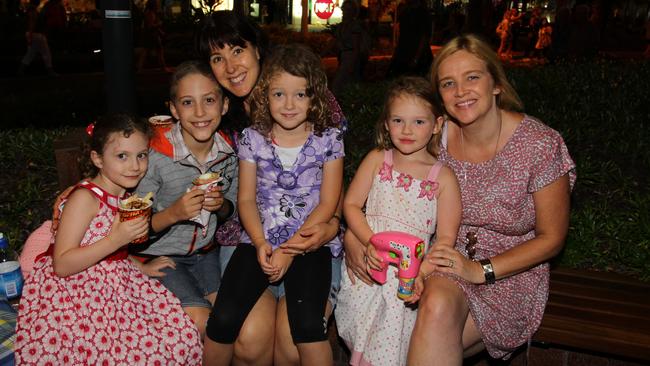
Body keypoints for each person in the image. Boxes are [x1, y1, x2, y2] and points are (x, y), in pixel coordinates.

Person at [405, 34, 576, 365]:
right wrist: (357, 238)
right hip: (445, 258)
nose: (460, 92)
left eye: (472, 77)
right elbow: (386, 178)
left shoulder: (539, 145)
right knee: (432, 311)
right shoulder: (434, 138)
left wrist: (480, 270)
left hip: (512, 270)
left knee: (424, 334)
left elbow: (553, 238)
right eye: (448, 83)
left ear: (496, 83)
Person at [196, 11, 346, 364]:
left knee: (297, 339)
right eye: (217, 58)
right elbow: (167, 152)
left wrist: (328, 228)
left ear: (258, 49)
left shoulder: (322, 124)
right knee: (246, 336)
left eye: (237, 49)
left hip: (310, 239)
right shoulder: (222, 119)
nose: (230, 66)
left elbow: (331, 196)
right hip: (250, 239)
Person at [14, 114, 203, 365]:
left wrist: (141, 266)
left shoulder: (125, 195)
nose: (135, 166)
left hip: (115, 280)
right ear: (98, 159)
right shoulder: (85, 198)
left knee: (178, 336)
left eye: (141, 155)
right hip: (73, 294)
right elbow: (61, 264)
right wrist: (116, 240)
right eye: (122, 156)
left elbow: (114, 247)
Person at [335, 76, 462, 366]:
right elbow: (351, 205)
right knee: (359, 336)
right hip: (369, 266)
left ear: (437, 125)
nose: (407, 130)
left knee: (390, 348)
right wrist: (368, 242)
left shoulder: (442, 178)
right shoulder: (379, 159)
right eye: (398, 120)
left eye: (419, 122)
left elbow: (445, 241)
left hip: (407, 278)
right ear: (386, 123)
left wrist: (420, 272)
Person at [132, 60, 238, 338]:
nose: (200, 112)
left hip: (206, 255)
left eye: (209, 100)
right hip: (160, 256)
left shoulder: (229, 154)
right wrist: (174, 213)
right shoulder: (153, 157)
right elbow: (131, 229)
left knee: (230, 320)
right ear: (173, 109)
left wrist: (222, 206)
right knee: (203, 321)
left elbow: (233, 210)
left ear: (224, 105)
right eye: (188, 102)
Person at [331, 0, 370, 97]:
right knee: (349, 84)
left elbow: (356, 46)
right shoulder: (341, 26)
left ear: (353, 12)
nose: (346, 11)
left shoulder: (354, 26)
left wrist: (353, 63)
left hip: (350, 57)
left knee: (337, 85)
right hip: (343, 57)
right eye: (345, 9)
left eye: (349, 9)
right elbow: (334, 42)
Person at [386, 0, 433, 77]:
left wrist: (416, 58)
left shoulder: (422, 12)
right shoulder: (406, 10)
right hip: (404, 51)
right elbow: (402, 34)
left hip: (417, 52)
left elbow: (424, 37)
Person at [18, 0, 57, 76]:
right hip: (37, 35)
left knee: (31, 54)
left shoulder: (30, 11)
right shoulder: (33, 11)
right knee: (46, 53)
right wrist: (31, 34)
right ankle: (50, 71)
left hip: (34, 34)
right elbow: (32, 24)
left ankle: (21, 71)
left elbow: (31, 23)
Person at [137, 0, 170, 72]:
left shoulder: (149, 12)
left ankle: (139, 68)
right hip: (151, 35)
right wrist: (159, 24)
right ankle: (163, 67)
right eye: (156, 4)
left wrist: (161, 32)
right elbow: (150, 26)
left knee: (150, 51)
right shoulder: (150, 13)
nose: (158, 5)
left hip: (151, 35)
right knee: (155, 51)